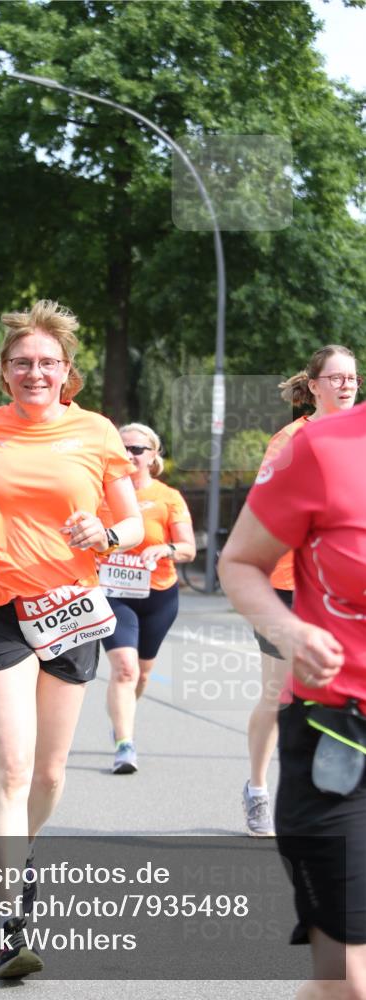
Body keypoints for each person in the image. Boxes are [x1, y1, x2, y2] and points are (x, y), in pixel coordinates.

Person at [0, 300, 142, 978]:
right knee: (12, 767)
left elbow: (132, 525)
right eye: (22, 362)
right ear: (3, 371)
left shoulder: (98, 432)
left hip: (72, 610)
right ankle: (9, 918)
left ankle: (17, 853)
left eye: (47, 363)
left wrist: (103, 535)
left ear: (66, 372)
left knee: (49, 774)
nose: (34, 372)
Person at [219, 399, 366, 1000]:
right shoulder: (323, 448)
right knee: (348, 984)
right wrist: (290, 631)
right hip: (339, 741)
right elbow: (240, 561)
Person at [243, 345, 360, 837]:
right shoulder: (291, 440)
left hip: (349, 593)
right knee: (282, 696)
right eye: (335, 378)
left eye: (352, 377)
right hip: (290, 590)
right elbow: (265, 517)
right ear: (313, 386)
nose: (347, 385)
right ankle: (257, 789)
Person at [98, 423, 196, 774]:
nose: (129, 455)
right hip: (113, 595)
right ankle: (125, 743)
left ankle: (122, 716)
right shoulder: (100, 494)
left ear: (154, 456)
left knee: (141, 675)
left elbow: (189, 548)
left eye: (138, 449)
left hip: (158, 595)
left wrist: (165, 550)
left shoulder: (168, 497)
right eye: (123, 448)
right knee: (124, 668)